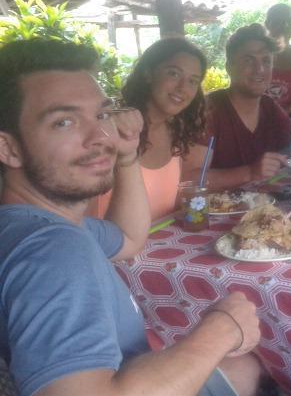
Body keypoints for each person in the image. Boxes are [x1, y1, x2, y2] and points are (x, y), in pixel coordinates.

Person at [0, 40, 262, 396]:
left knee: (246, 367)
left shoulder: (35, 224)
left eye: (102, 115)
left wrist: (126, 157)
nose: (100, 136)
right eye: (64, 122)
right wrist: (222, 329)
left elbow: (129, 237)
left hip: (131, 369)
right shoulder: (54, 249)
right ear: (9, 148)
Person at [94, 37, 208, 220]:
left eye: (193, 81)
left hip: (164, 246)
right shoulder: (113, 129)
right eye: (174, 73)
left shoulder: (176, 132)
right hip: (110, 247)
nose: (182, 88)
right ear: (148, 73)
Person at [197, 23, 291, 189]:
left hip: (265, 211)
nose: (260, 69)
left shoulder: (268, 106)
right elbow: (189, 179)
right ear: (229, 68)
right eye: (248, 60)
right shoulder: (209, 110)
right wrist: (249, 172)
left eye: (266, 61)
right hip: (216, 211)